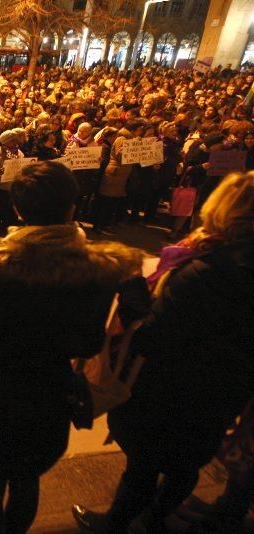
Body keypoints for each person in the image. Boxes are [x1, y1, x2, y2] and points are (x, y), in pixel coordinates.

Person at [0, 161, 146, 533]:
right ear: (72, 207)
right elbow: (90, 341)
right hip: (48, 394)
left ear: (18, 209)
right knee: (27, 479)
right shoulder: (99, 269)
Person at [73, 171, 254, 533]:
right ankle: (156, 519)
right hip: (226, 391)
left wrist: (133, 291)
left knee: (143, 466)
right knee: (185, 465)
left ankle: (117, 523)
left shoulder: (202, 273)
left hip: (170, 390)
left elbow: (152, 336)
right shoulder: (221, 266)